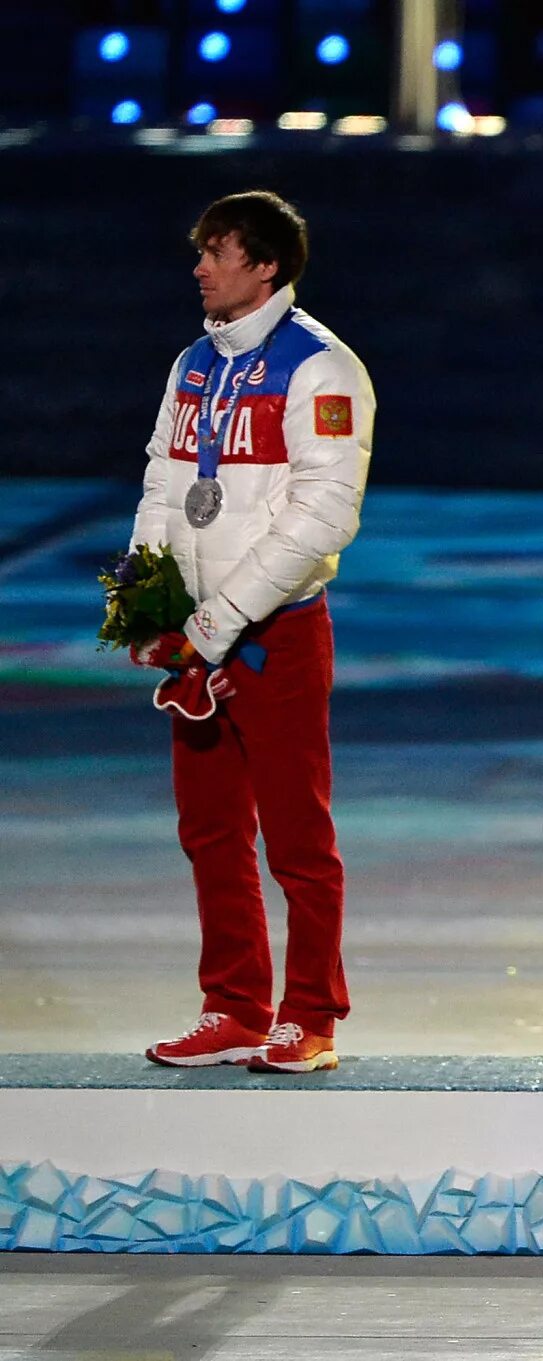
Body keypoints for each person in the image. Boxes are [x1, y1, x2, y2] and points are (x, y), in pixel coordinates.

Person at [129, 191, 374, 1073]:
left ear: (266, 265)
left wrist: (215, 625)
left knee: (298, 840)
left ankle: (309, 1016)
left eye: (218, 252)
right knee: (211, 831)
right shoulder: (194, 363)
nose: (200, 267)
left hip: (275, 639)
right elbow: (163, 482)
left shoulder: (321, 370)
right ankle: (234, 1005)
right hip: (197, 643)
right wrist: (150, 605)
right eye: (201, 251)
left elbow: (323, 518)